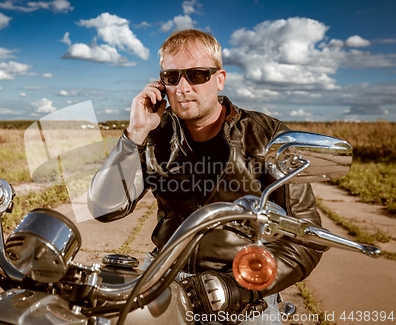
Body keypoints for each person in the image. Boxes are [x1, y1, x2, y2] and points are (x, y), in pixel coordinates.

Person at [87, 29, 322, 325]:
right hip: (163, 277)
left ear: (219, 79)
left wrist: (237, 289)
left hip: (243, 288)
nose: (183, 87)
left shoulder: (270, 137)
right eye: (172, 77)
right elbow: (104, 208)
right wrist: (134, 133)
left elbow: (308, 237)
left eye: (197, 74)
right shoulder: (155, 134)